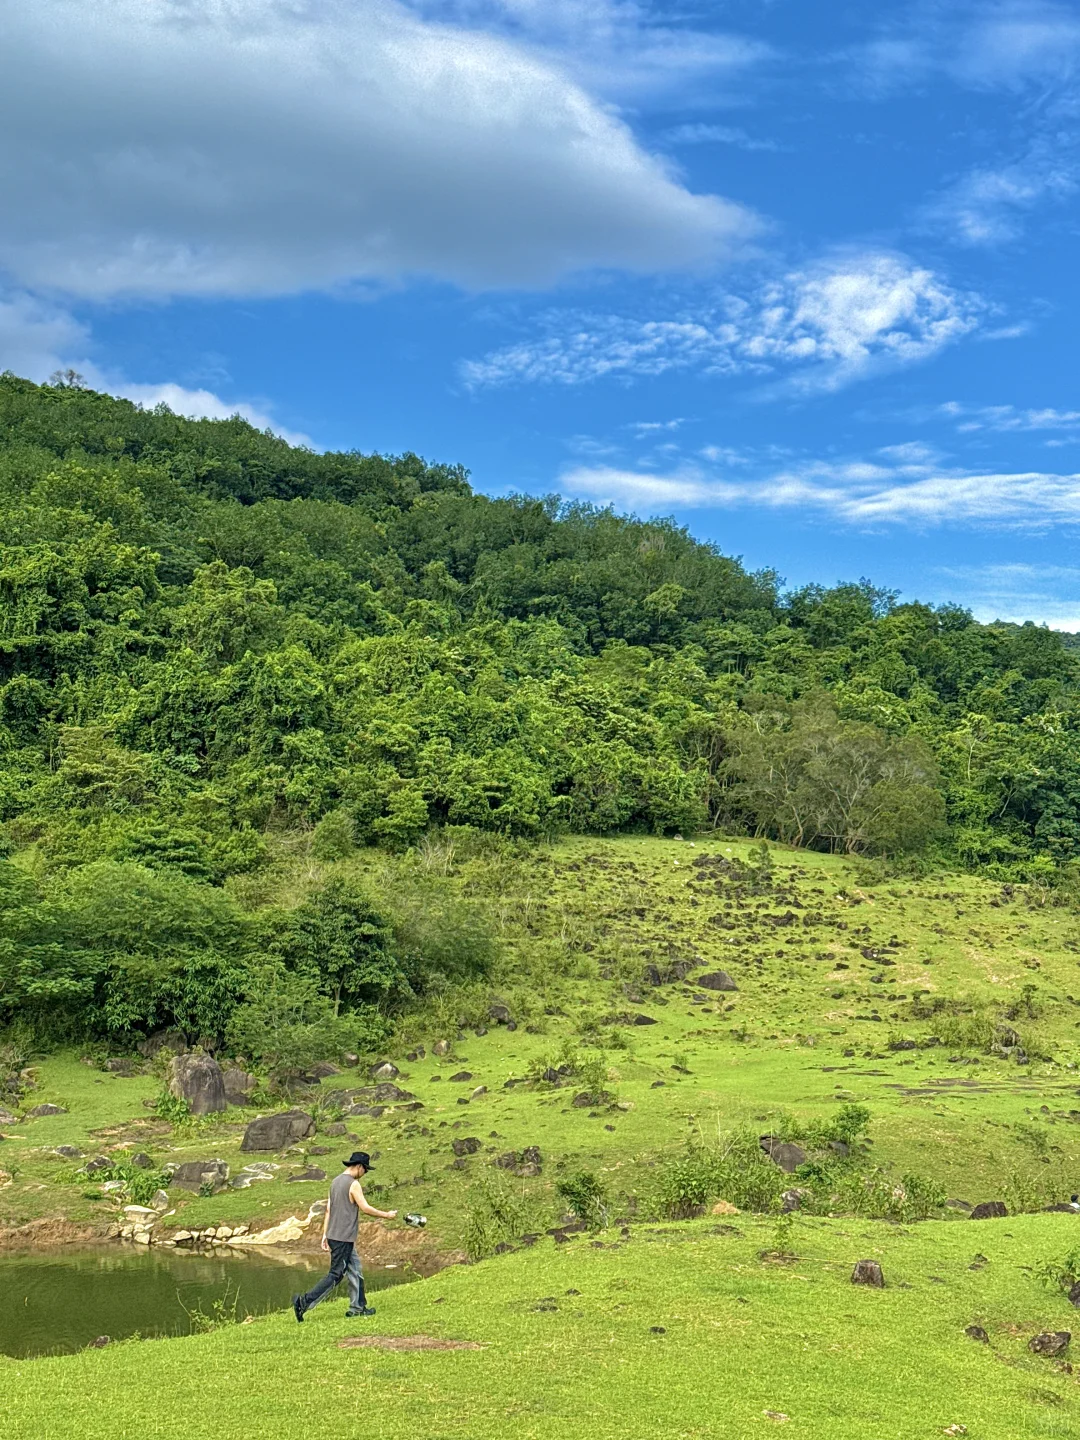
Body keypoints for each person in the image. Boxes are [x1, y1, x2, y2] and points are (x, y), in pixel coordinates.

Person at [292, 1151, 397, 1322]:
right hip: (343, 1238)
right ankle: (303, 1302)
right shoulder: (353, 1184)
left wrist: (325, 1234)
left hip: (335, 1235)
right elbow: (365, 1208)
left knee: (355, 1270)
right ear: (359, 1167)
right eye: (366, 1170)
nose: (365, 1174)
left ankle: (358, 1308)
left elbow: (328, 1210)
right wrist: (387, 1215)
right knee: (336, 1274)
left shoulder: (335, 1182)